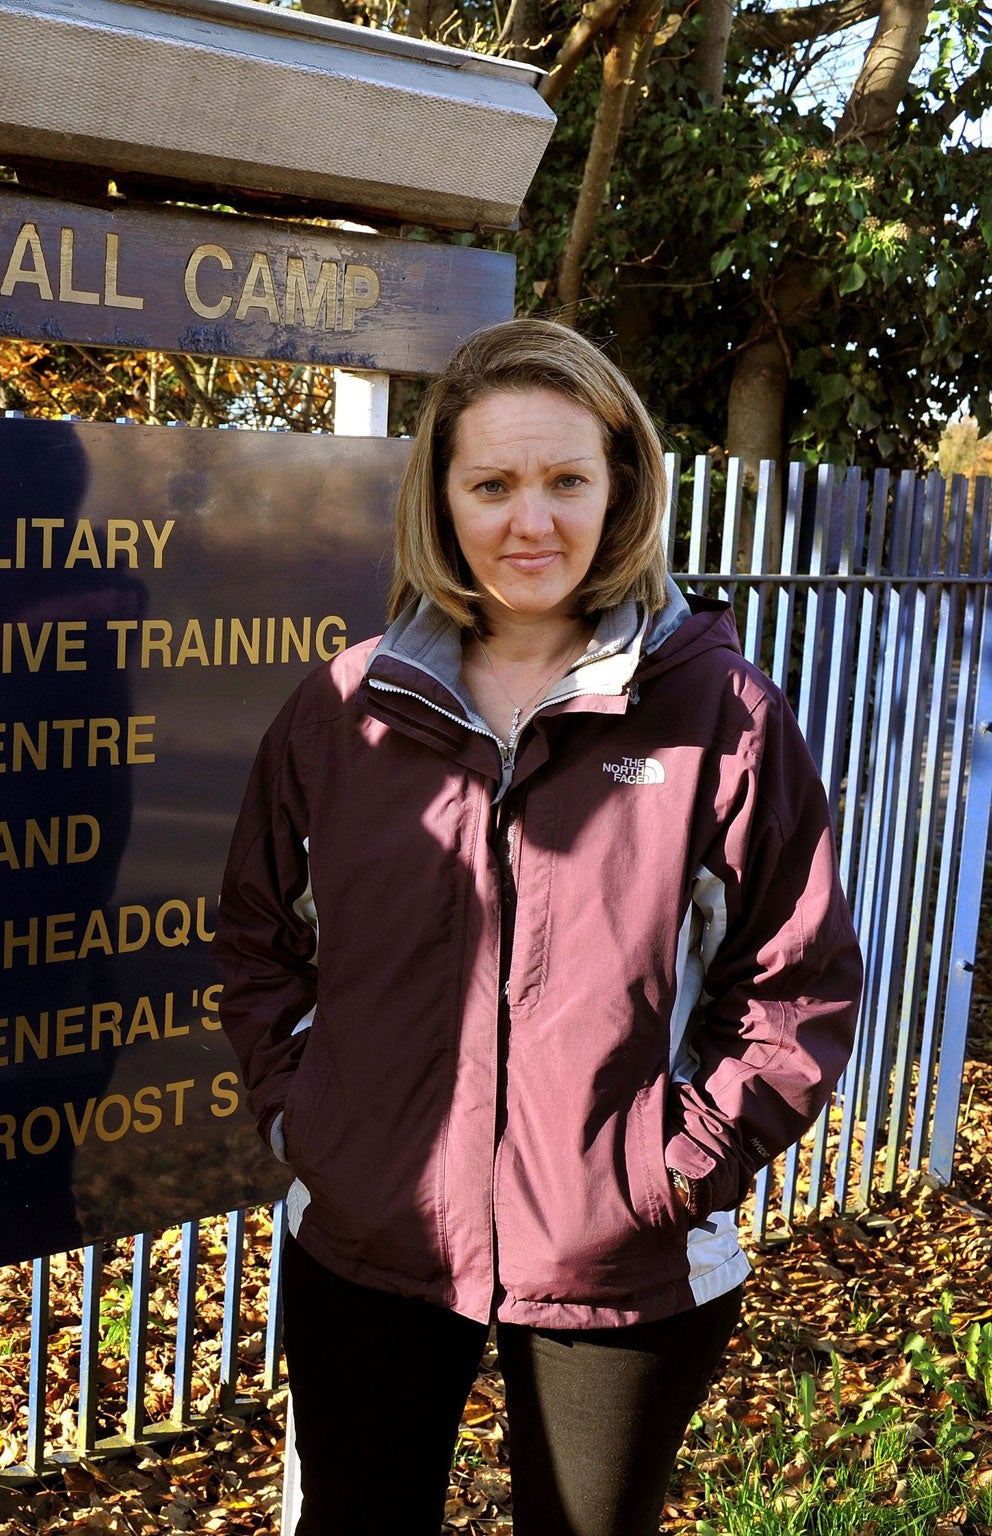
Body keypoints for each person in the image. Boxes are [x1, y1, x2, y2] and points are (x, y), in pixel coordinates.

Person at [211, 318, 862, 1536]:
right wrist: (309, 1116)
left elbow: (795, 979)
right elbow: (256, 937)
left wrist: (677, 1163)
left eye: (566, 479)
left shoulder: (719, 715)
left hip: (621, 1259)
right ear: (440, 499)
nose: (531, 522)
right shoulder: (343, 712)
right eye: (492, 483)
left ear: (619, 489)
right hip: (368, 1234)